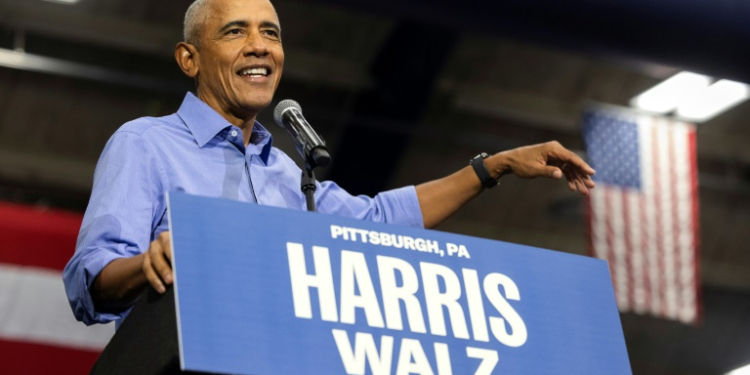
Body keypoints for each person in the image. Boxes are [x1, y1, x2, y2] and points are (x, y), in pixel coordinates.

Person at [63, 0, 595, 327]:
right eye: (235, 31)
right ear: (189, 58)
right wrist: (146, 266)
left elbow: (381, 221)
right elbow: (90, 280)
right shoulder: (146, 144)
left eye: (270, 33)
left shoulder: (295, 179)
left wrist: (492, 167)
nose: (260, 47)